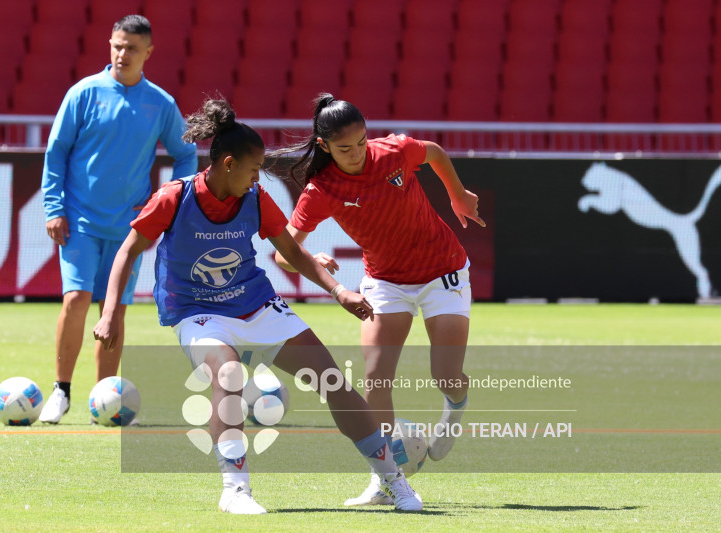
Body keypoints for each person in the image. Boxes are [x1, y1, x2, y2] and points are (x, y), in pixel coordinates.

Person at [92, 98, 423, 514]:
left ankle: (394, 480)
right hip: (198, 313)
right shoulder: (173, 198)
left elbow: (292, 251)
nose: (256, 178)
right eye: (252, 169)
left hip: (258, 304)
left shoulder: (255, 198)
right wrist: (108, 314)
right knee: (228, 374)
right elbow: (127, 251)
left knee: (333, 381)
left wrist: (338, 291)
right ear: (228, 164)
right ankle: (235, 490)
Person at [272, 94, 486, 506]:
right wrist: (310, 256)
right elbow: (283, 251)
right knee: (376, 379)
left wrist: (457, 194)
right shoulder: (321, 190)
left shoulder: (393, 152)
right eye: (344, 148)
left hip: (444, 271)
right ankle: (384, 479)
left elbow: (435, 153)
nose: (356, 155)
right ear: (324, 147)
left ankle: (455, 407)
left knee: (446, 375)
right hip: (385, 282)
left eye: (361, 143)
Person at [39, 15, 198, 424]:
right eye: (116, 45)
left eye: (131, 48)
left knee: (116, 311)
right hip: (78, 221)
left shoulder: (160, 103)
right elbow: (56, 152)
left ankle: (103, 399)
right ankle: (62, 389)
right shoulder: (83, 93)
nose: (122, 54)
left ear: (148, 52)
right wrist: (54, 207)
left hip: (129, 229)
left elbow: (186, 155)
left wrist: (167, 203)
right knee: (76, 299)